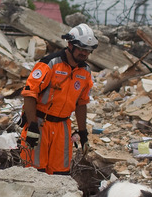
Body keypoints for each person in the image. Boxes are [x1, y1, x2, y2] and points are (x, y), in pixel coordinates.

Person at [19, 22, 98, 175]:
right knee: (34, 172)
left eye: (87, 51)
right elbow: (29, 95)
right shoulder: (50, 63)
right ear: (70, 44)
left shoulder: (85, 72)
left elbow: (81, 104)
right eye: (81, 49)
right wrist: (32, 126)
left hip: (63, 126)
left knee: (60, 174)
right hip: (41, 123)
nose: (84, 53)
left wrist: (83, 134)